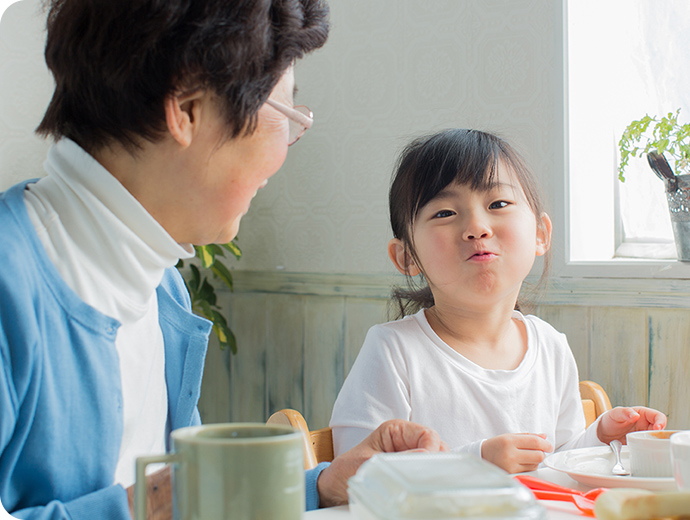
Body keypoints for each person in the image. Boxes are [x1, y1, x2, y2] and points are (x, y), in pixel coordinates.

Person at [0, 1, 448, 518]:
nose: (285, 150)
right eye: (285, 116)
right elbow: (167, 500)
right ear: (187, 109)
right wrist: (156, 502)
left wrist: (321, 485)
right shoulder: (15, 279)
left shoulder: (162, 288)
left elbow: (183, 500)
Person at [329, 128, 667, 474]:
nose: (477, 227)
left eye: (498, 204)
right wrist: (475, 463)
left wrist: (598, 439)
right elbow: (357, 479)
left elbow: (553, 463)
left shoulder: (550, 346)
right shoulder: (394, 350)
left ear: (540, 234)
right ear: (406, 257)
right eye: (444, 213)